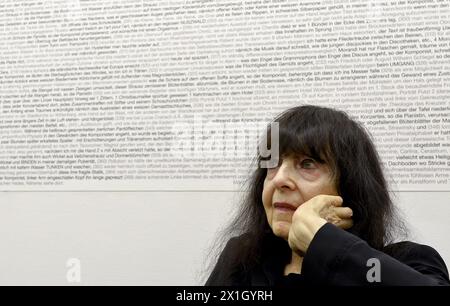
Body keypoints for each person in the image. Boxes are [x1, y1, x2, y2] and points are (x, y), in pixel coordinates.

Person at [205, 105, 450, 286]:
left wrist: (325, 243)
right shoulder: (243, 258)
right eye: (273, 164)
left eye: (308, 164)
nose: (279, 179)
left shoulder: (408, 261)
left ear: (349, 186)